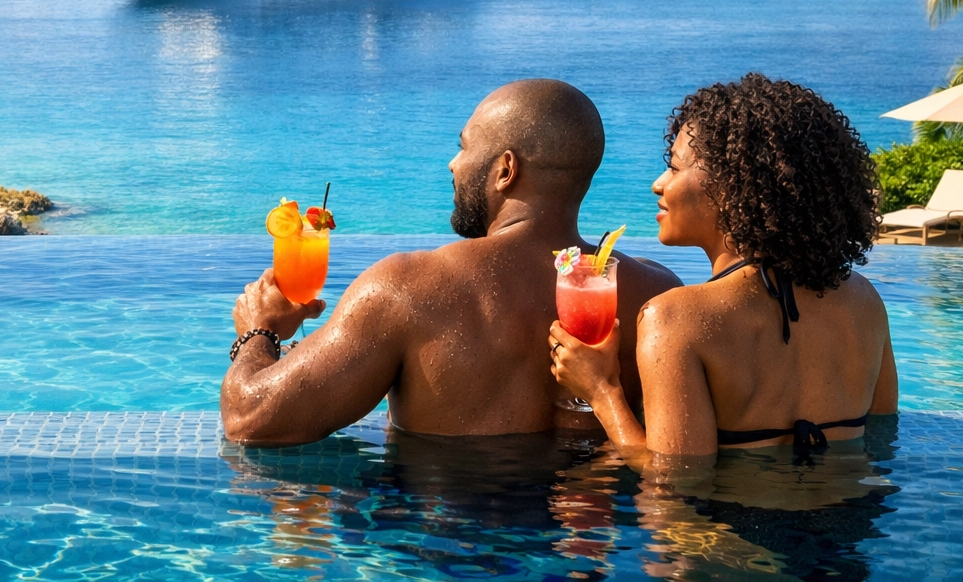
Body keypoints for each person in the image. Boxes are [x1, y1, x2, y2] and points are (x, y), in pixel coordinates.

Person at [221, 78, 682, 446]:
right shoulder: (659, 296)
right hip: (592, 549)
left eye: (463, 147)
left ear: (505, 170)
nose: (452, 165)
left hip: (446, 549)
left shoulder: (405, 287)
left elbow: (250, 420)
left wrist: (257, 332)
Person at [549, 73, 899, 458]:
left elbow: (673, 476)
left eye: (675, 168)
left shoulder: (674, 319)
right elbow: (882, 440)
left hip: (731, 518)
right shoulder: (865, 301)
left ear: (730, 187)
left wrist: (601, 390)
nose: (658, 184)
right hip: (850, 514)